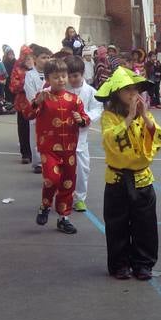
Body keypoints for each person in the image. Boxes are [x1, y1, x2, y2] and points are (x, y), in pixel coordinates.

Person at [95, 66, 161, 279]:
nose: (133, 94)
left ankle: (143, 264)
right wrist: (128, 118)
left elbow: (158, 137)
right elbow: (110, 140)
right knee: (117, 224)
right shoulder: (109, 117)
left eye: (135, 90)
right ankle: (119, 264)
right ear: (117, 93)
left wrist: (144, 117)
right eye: (127, 90)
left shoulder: (145, 115)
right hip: (117, 179)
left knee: (145, 225)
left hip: (142, 178)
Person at [28, 55, 90, 234]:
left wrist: (81, 119)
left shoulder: (74, 99)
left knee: (68, 183)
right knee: (51, 179)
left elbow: (85, 119)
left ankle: (64, 218)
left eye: (64, 76)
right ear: (47, 79)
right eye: (56, 77)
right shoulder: (43, 97)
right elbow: (29, 114)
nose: (61, 80)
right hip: (49, 148)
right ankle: (45, 206)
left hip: (69, 149)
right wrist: (36, 102)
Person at [66, 56, 103, 212]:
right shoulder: (61, 89)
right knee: (64, 171)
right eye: (69, 76)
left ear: (82, 74)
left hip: (81, 138)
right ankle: (65, 197)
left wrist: (85, 118)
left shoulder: (90, 92)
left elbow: (97, 109)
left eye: (75, 76)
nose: (72, 79)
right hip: (63, 137)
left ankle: (80, 198)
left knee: (82, 170)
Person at [24, 48, 49, 173]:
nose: (46, 60)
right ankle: (38, 162)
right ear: (35, 59)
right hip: (36, 109)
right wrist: (38, 103)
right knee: (36, 136)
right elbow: (30, 94)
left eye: (48, 57)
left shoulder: (51, 74)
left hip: (50, 110)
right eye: (43, 57)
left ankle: (49, 160)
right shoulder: (29, 75)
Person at [9, 47, 34, 164]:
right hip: (22, 104)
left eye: (31, 57)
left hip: (35, 103)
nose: (29, 60)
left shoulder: (37, 69)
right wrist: (26, 82)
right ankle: (26, 154)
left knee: (35, 129)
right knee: (23, 129)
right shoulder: (17, 69)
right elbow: (13, 87)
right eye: (27, 57)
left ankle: (36, 153)